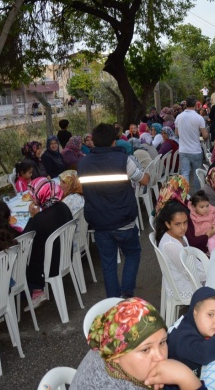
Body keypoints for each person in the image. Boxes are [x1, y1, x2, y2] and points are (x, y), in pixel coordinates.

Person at [71, 297, 207, 390]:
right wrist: (186, 378)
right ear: (116, 355)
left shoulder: (107, 344)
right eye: (145, 350)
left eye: (162, 342)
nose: (160, 357)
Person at [78, 123, 149, 298]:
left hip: (99, 223)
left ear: (93, 141)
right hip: (123, 220)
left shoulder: (83, 163)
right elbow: (144, 180)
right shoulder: (124, 160)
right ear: (113, 141)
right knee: (132, 253)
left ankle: (113, 302)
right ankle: (126, 293)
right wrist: (146, 174)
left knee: (108, 264)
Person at [167, 287, 215, 378]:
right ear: (195, 313)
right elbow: (204, 354)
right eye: (211, 314)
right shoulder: (183, 337)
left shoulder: (194, 320)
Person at [23, 177, 72, 308]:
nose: (32, 197)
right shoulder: (63, 207)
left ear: (42, 195)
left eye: (34, 194)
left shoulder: (39, 219)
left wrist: (33, 217)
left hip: (50, 265)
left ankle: (36, 291)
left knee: (26, 256)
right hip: (66, 254)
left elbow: (24, 239)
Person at [155, 199, 207, 300]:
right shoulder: (171, 246)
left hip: (191, 276)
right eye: (177, 224)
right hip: (184, 286)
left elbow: (193, 261)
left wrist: (208, 269)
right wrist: (209, 274)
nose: (183, 227)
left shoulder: (180, 236)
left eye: (185, 222)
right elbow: (189, 274)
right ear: (168, 224)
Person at [176, 96, 209, 194]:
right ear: (195, 105)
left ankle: (184, 194)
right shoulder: (199, 118)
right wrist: (204, 137)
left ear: (186, 104)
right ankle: (197, 195)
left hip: (183, 149)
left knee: (185, 173)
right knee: (196, 173)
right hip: (195, 150)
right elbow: (205, 135)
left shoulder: (179, 117)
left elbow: (177, 133)